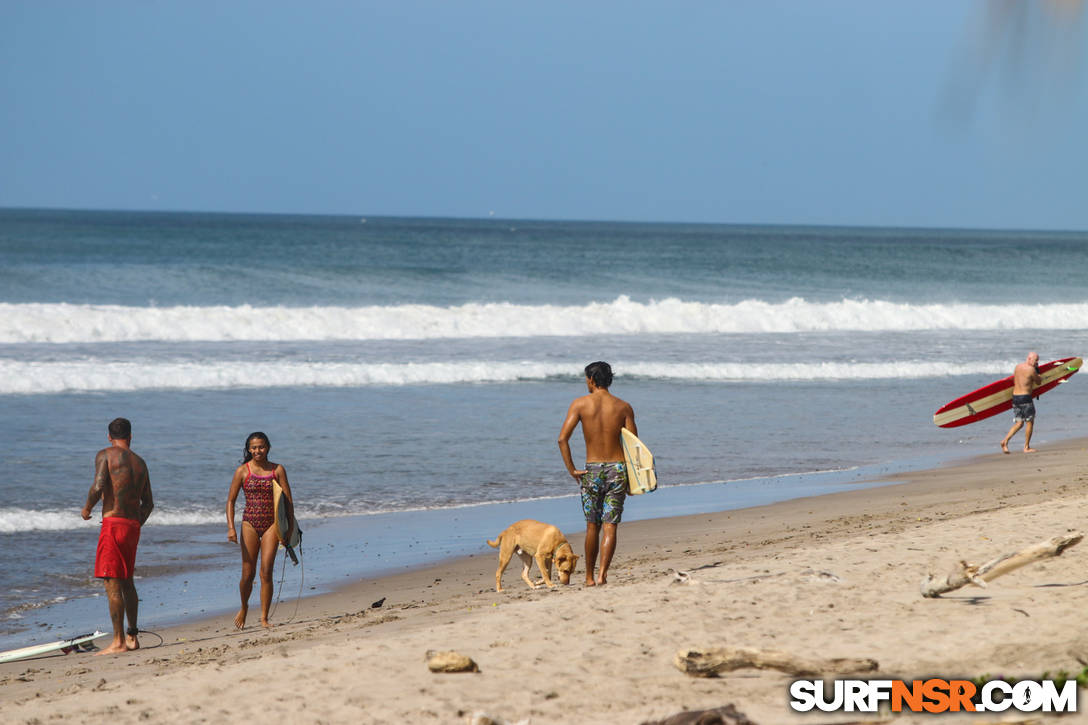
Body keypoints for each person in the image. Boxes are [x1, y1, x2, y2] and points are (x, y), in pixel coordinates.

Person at [558, 361, 636, 586]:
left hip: (592, 471)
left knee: (592, 525)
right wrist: (633, 479)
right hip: (618, 469)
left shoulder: (580, 404)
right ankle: (603, 574)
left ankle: (589, 578)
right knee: (610, 526)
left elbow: (562, 439)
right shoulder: (623, 407)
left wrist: (571, 469)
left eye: (586, 379)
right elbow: (634, 446)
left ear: (591, 380)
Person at [80, 417, 154, 656]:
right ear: (131, 436)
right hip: (132, 525)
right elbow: (149, 504)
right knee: (127, 581)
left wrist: (87, 508)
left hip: (113, 523)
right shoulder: (141, 463)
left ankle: (118, 641)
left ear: (109, 437)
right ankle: (132, 636)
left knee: (112, 582)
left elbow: (99, 485)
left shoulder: (106, 454)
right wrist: (135, 524)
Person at [226, 432, 294, 628]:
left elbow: (288, 501)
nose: (258, 450)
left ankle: (264, 618)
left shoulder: (277, 470)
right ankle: (244, 606)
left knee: (266, 571)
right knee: (248, 573)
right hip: (249, 523)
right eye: (254, 447)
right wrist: (231, 528)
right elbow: (230, 501)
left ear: (268, 447)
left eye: (261, 447)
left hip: (272, 524)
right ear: (249, 449)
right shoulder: (242, 471)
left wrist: (288, 528)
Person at [1001, 351, 1042, 454]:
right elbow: (1038, 381)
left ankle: (1004, 441)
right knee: (1030, 422)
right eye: (1036, 360)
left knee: (1019, 423)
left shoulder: (1017, 367)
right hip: (1025, 398)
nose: (1037, 362)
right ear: (1029, 359)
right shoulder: (1031, 370)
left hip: (1015, 398)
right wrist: (1038, 373)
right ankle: (1026, 447)